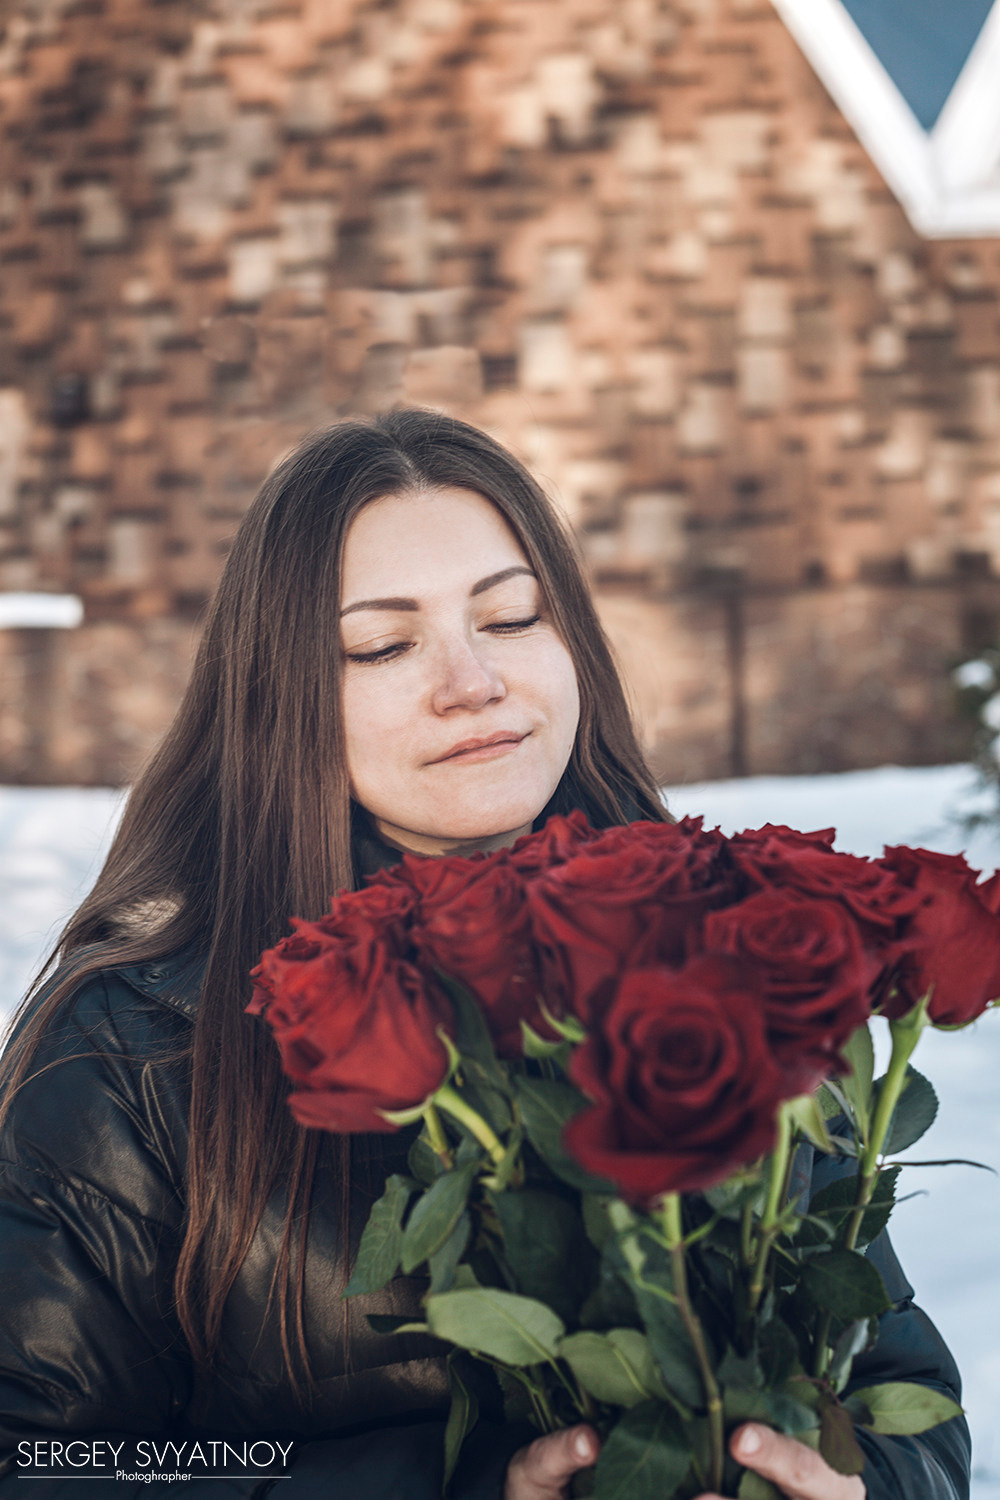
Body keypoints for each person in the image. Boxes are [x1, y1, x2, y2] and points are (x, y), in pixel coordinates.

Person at [0, 410, 971, 1500]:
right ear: (281, 699)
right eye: (382, 644)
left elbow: (901, 1400)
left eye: (511, 618)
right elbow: (40, 1462)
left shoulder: (733, 963)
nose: (472, 681)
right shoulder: (130, 1049)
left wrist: (846, 1484)